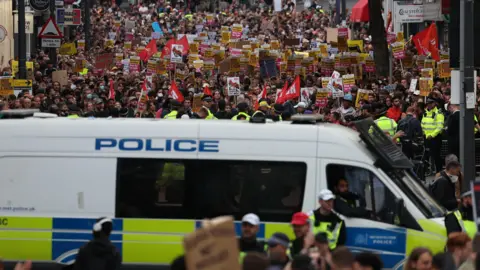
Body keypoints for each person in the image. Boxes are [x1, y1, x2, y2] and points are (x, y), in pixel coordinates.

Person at [421, 97, 445, 173]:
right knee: (426, 156)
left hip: (435, 138)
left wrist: (432, 135)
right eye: (428, 103)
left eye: (430, 103)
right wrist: (424, 133)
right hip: (426, 138)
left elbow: (440, 127)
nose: (429, 105)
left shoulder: (439, 113)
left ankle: (439, 171)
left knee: (436, 156)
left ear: (434, 103)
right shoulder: (425, 113)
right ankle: (426, 171)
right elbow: (423, 124)